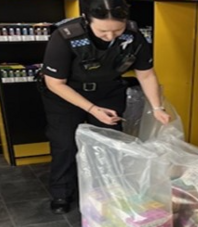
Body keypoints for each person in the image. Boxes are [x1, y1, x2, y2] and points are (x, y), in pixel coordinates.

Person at [41, 0, 170, 214]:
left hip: (107, 92)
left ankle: (106, 189)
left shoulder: (133, 36)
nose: (110, 36)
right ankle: (62, 192)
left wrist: (157, 108)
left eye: (117, 30)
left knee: (109, 141)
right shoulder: (66, 36)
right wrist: (92, 109)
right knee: (64, 143)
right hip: (65, 94)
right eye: (103, 31)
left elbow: (146, 73)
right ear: (87, 21)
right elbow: (54, 83)